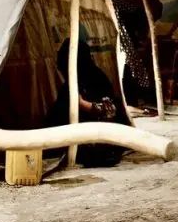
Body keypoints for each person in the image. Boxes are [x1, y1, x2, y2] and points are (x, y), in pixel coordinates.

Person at [45, 37, 125, 167]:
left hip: (98, 135)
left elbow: (110, 110)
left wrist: (83, 105)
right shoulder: (75, 82)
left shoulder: (95, 78)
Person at [110, 0, 163, 107]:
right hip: (118, 35)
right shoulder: (135, 8)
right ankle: (134, 99)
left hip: (114, 35)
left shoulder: (126, 2)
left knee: (131, 67)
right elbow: (137, 34)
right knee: (132, 67)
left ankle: (134, 98)